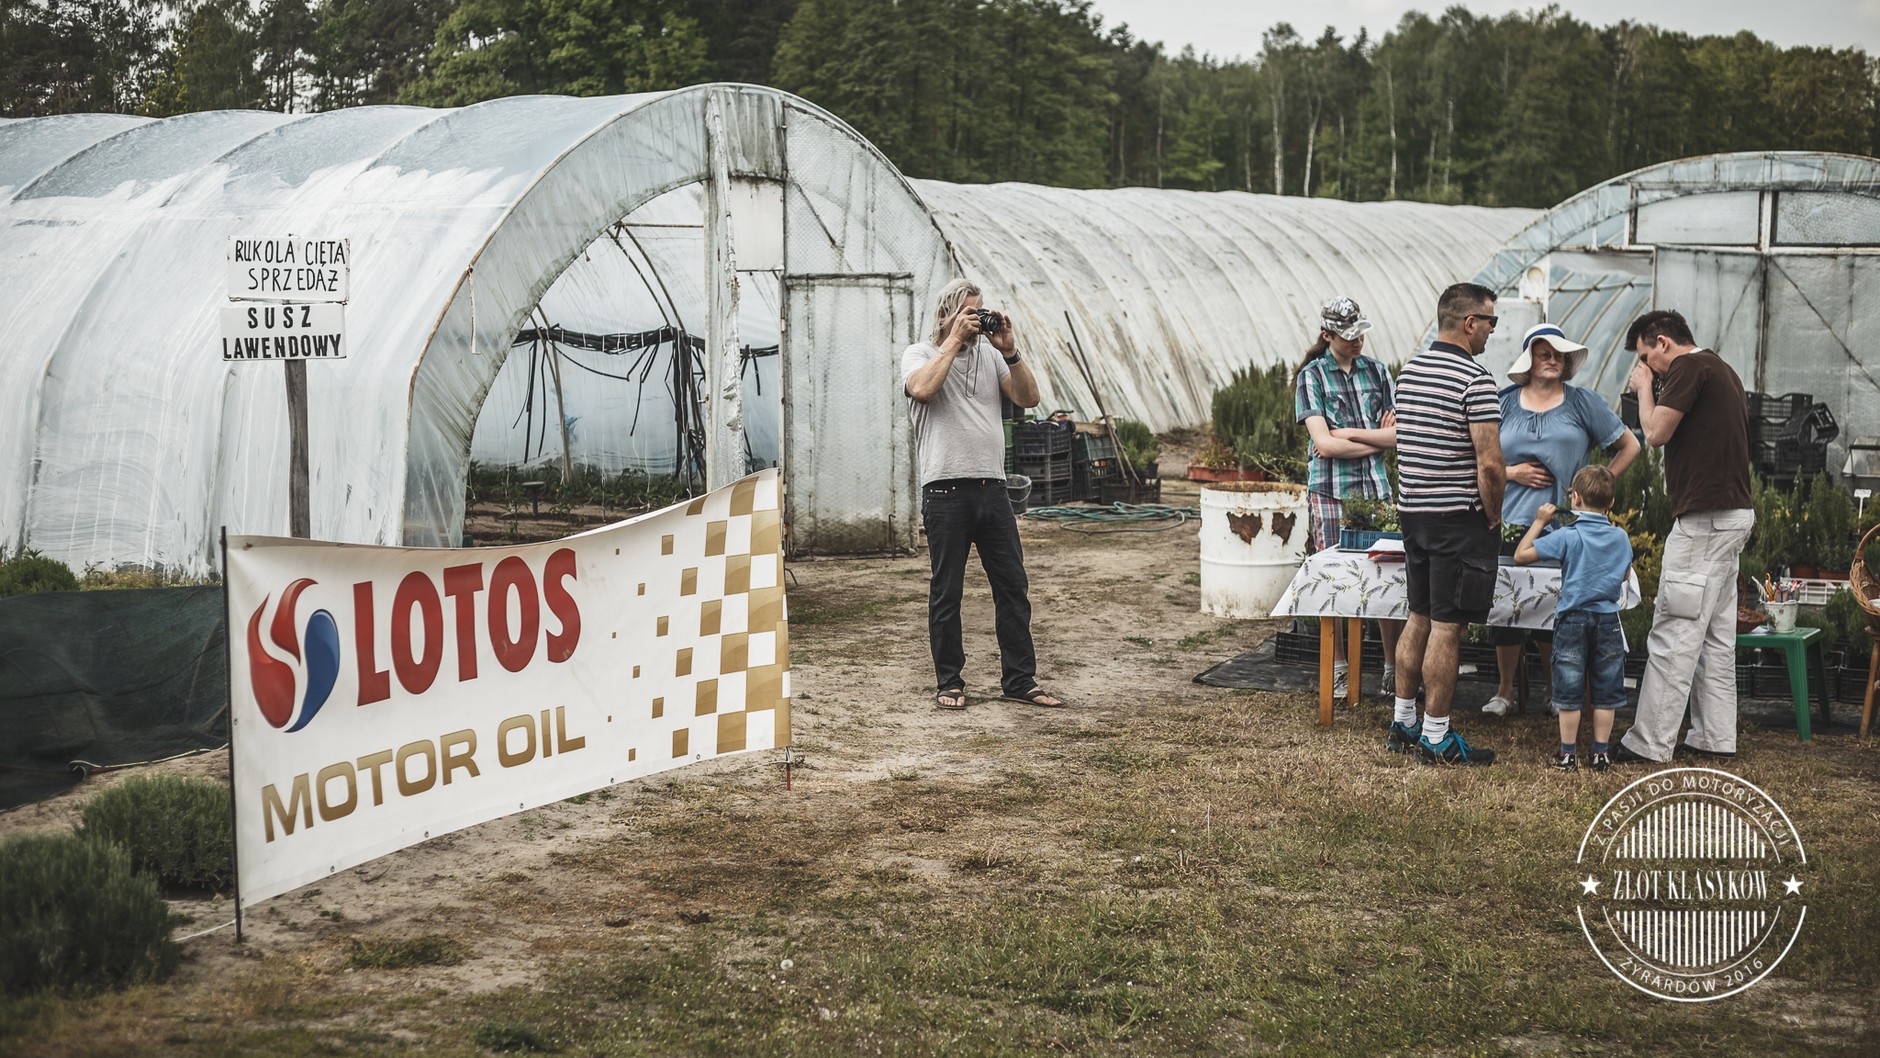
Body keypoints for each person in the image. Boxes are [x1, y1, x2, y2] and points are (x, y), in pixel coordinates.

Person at [902, 278, 1064, 711]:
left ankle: (1020, 680)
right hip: (945, 489)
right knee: (947, 591)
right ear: (948, 314)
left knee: (1013, 587)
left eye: (982, 311)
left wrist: (1009, 349)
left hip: (993, 488)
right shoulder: (919, 354)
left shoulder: (992, 356)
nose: (979, 319)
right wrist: (954, 340)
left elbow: (1028, 399)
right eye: (971, 312)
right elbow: (922, 388)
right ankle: (949, 682)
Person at [1612, 310, 1753, 764]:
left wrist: (1643, 389)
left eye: (1646, 355)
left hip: (1704, 522)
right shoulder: (1722, 369)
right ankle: (1713, 735)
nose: (1646, 365)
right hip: (1731, 517)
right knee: (1714, 634)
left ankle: (1649, 742)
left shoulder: (1689, 368)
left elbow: (1654, 433)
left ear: (1663, 342)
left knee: (1675, 630)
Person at [1481, 324, 1641, 718]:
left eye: (1559, 355)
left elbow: (1630, 445)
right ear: (1529, 359)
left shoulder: (1582, 403)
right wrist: (1514, 473)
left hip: (1567, 527)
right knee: (1506, 607)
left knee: (1557, 606)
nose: (1552, 360)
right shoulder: (1503, 402)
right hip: (1509, 522)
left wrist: (1592, 487)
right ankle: (1504, 692)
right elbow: (1481, 457)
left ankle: (1557, 692)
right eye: (1543, 353)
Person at [1388, 282, 1504, 766]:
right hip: (1458, 519)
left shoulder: (1408, 374)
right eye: (1491, 322)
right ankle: (1436, 736)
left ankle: (1403, 721)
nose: (1493, 333)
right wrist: (1493, 516)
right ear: (1469, 322)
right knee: (1448, 627)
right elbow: (1491, 464)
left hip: (1414, 515)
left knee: (1418, 615)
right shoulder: (1475, 380)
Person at [1293, 295, 1402, 699]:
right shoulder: (1313, 377)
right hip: (1330, 492)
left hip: (1375, 491)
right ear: (1327, 335)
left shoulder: (1378, 372)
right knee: (1332, 578)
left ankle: (1393, 667)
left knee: (1388, 576)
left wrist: (1350, 435)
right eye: (1347, 335)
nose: (1357, 342)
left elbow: (1400, 436)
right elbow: (1324, 445)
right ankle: (1338, 667)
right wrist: (1376, 440)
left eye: (1360, 333)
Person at [1513, 466, 1634, 771]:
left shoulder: (1569, 535)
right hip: (1608, 620)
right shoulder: (1621, 537)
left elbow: (1521, 555)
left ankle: (1568, 753)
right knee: (1606, 689)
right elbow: (1623, 575)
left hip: (1572, 619)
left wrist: (1540, 521)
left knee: (1569, 687)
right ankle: (1600, 752)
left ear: (1575, 499)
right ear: (1612, 503)